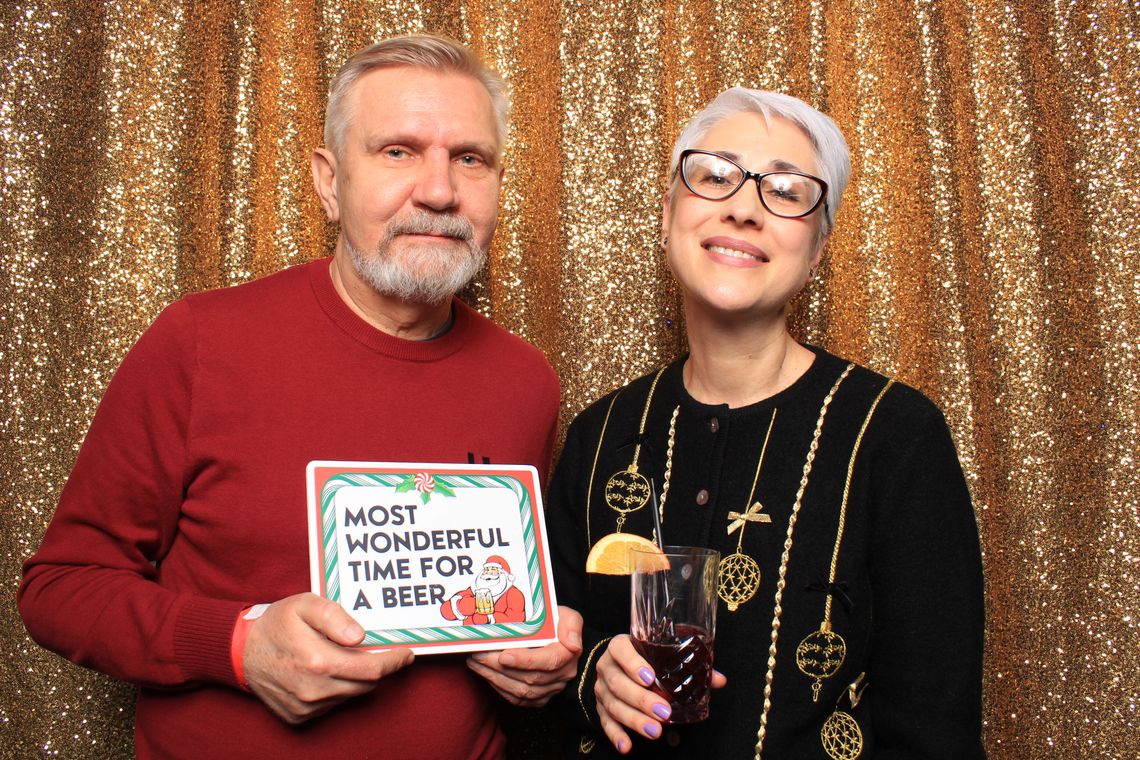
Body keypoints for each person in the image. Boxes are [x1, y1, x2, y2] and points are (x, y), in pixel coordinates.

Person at [19, 34, 581, 759]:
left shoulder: (525, 380)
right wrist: (236, 646)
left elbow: (502, 600)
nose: (439, 191)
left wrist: (543, 658)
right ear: (327, 180)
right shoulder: (200, 341)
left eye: (470, 158)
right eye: (398, 151)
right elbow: (60, 588)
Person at [547, 88, 985, 758]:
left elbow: (935, 726)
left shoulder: (894, 435)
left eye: (786, 190)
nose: (744, 207)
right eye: (715, 176)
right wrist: (596, 677)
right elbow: (542, 672)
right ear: (668, 214)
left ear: (817, 250)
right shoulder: (602, 434)